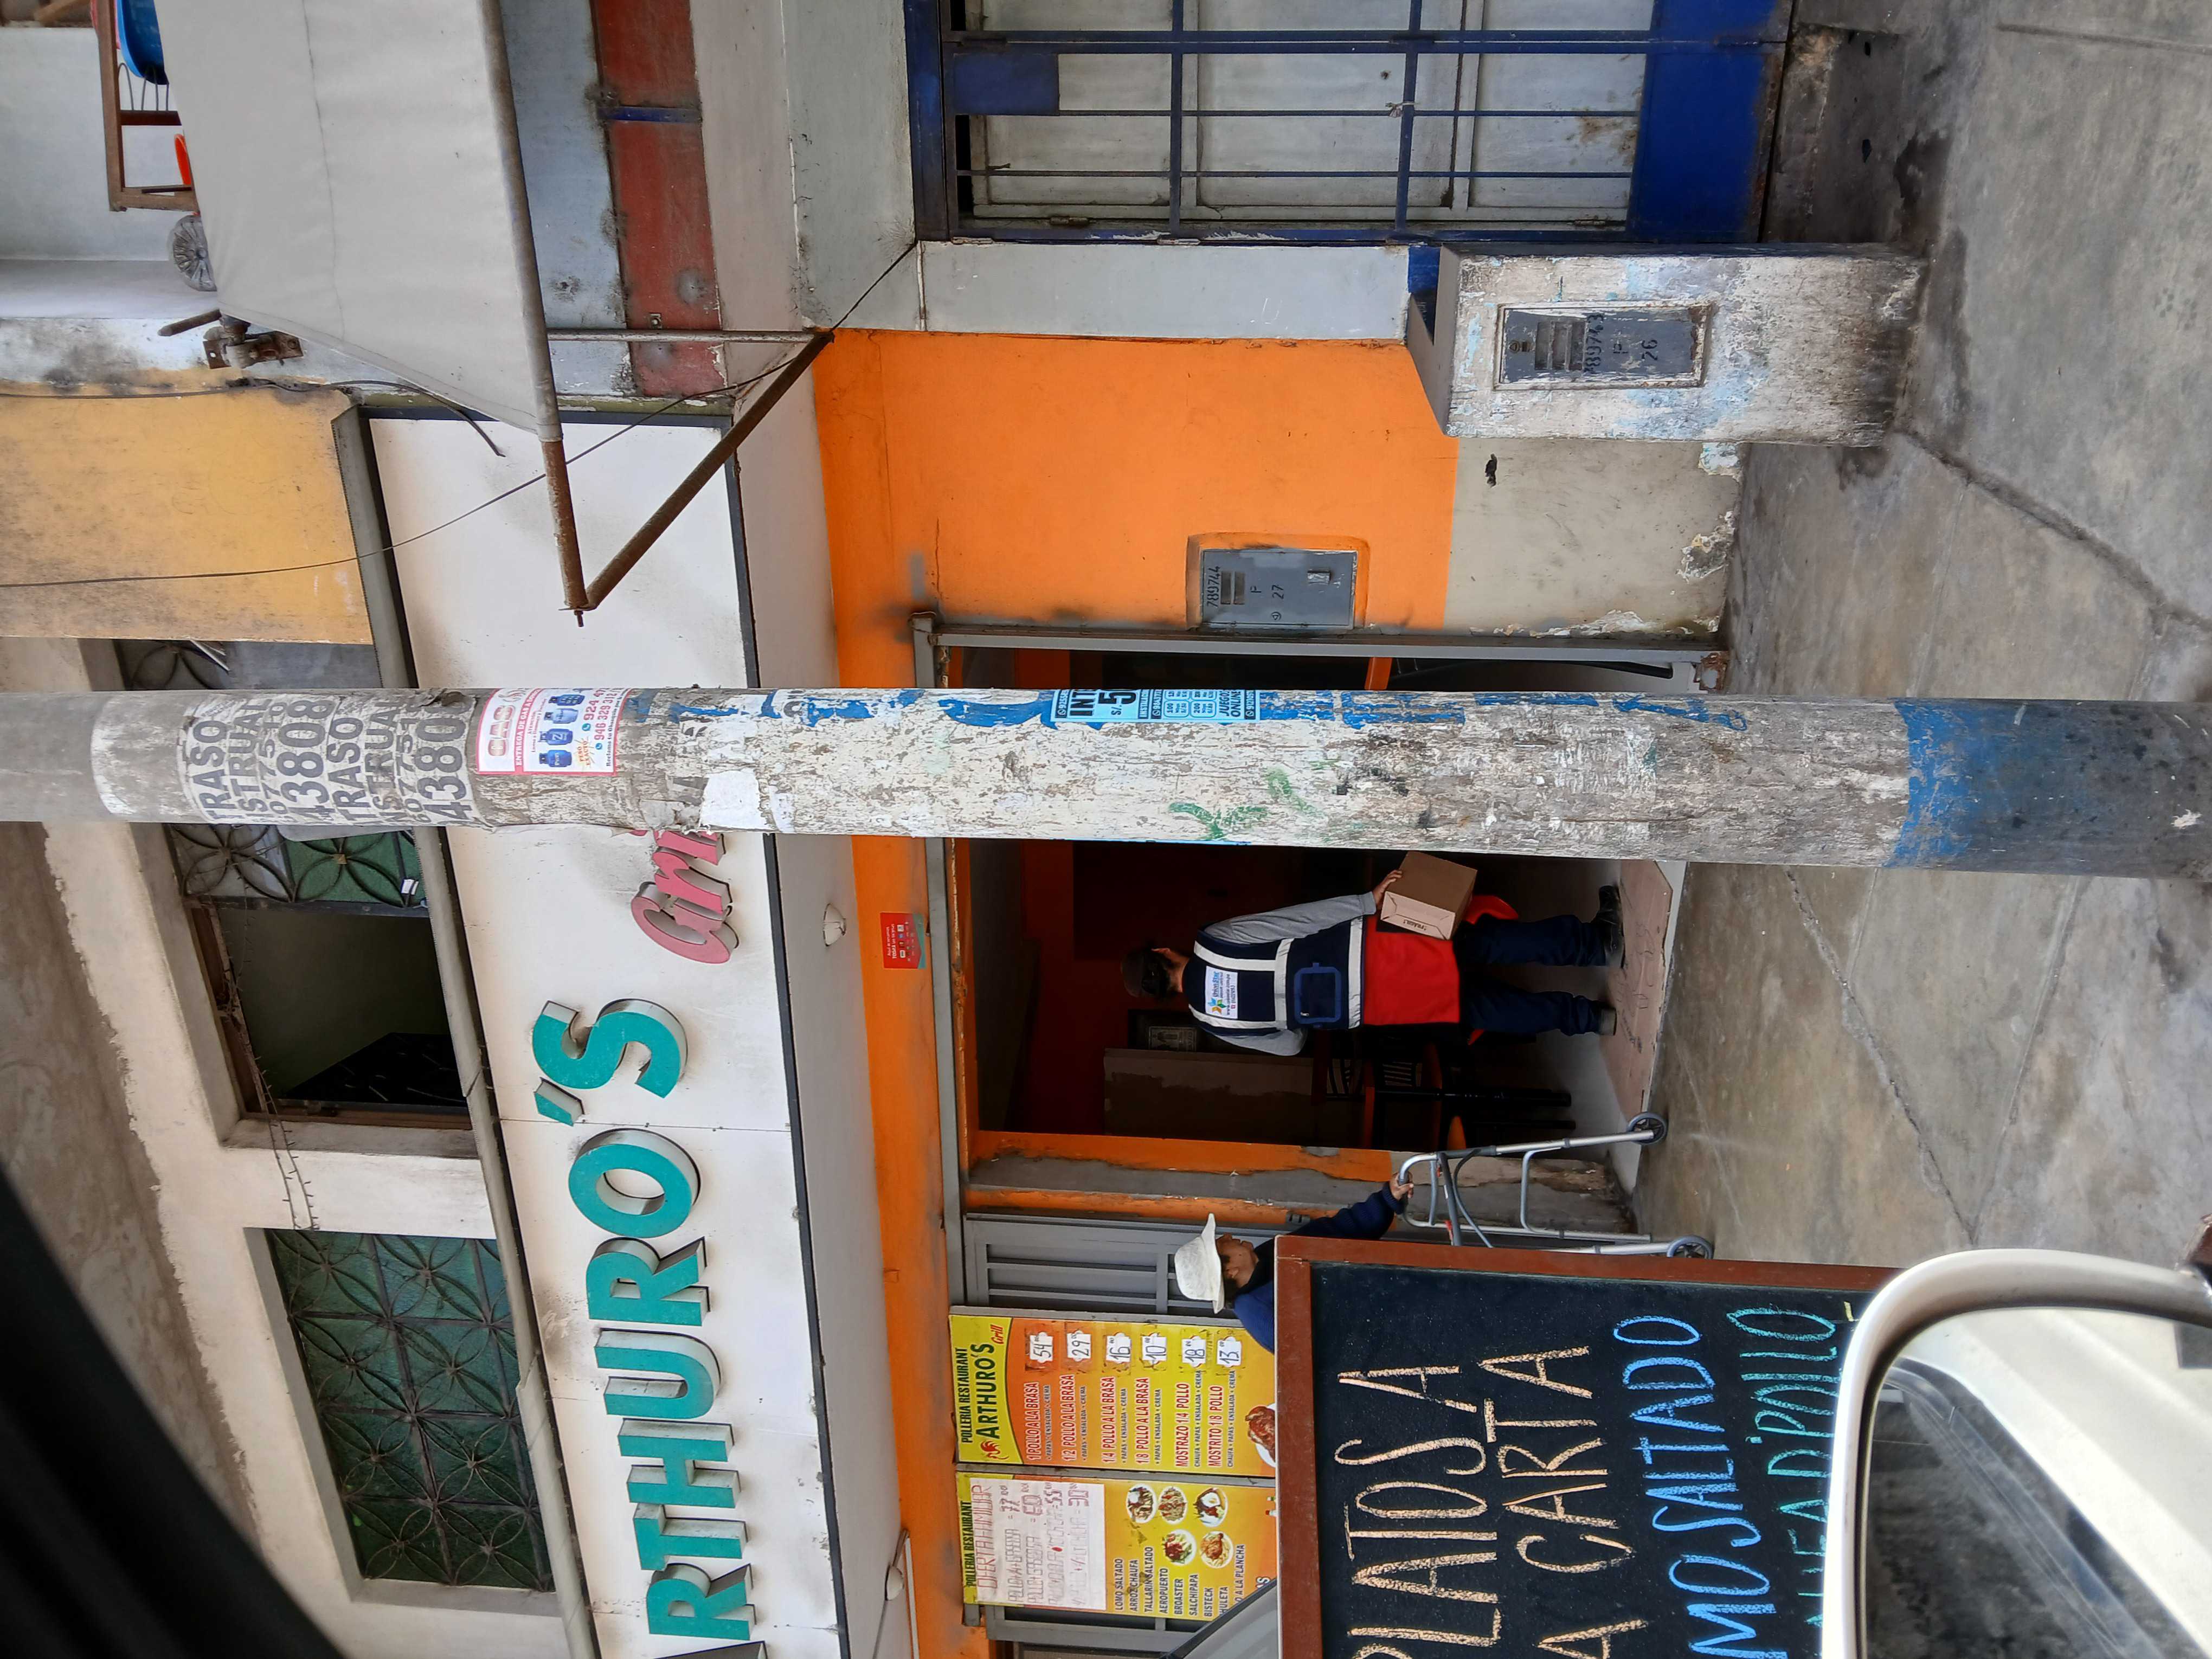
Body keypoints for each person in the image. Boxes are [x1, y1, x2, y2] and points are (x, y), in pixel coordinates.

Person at [1122, 870, 1621, 1053]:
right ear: (1163, 953)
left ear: (1162, 996)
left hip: (1371, 1008)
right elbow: (1294, 921)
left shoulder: (1213, 1023)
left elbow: (1292, 1045)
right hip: (1372, 952)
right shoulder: (1215, 942)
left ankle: (1590, 1019)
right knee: (1483, 944)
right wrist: (1367, 900)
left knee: (1482, 1009)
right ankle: (1595, 946)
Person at [1173, 1175, 1414, 1353]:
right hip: (1403, 1327)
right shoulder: (1261, 1313)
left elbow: (1336, 1232)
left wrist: (1387, 1199)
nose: (1227, 1236)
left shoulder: (1267, 1256)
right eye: (1221, 1244)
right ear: (1230, 1271)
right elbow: (1340, 1352)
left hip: (1404, 1292)